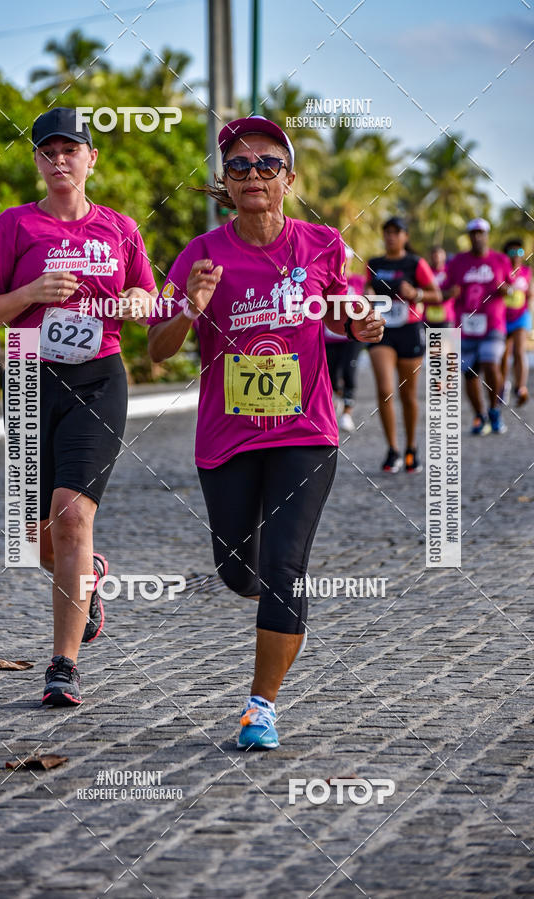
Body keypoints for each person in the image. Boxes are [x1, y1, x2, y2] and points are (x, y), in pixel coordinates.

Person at [147, 116, 383, 750]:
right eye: (239, 165)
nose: (253, 174)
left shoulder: (322, 244)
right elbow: (156, 350)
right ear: (225, 180)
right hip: (227, 438)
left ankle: (261, 707)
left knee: (285, 567)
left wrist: (361, 324)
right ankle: (264, 591)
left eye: (267, 164)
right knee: (235, 569)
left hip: (306, 432)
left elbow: (344, 312)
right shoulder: (200, 255)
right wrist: (190, 308)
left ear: (289, 178)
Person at [0, 107, 158, 706]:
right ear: (36, 161)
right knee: (34, 539)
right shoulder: (12, 227)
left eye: (70, 150)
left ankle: (63, 665)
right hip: (29, 372)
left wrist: (137, 302)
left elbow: (148, 297)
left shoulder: (120, 229)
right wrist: (30, 292)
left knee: (72, 515)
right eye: (48, 152)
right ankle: (89, 578)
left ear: (90, 159)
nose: (59, 161)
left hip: (99, 377)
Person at [365, 217, 442, 473]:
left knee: (408, 395)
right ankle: (393, 450)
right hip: (382, 331)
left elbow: (436, 295)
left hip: (409, 329)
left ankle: (411, 447)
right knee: (385, 389)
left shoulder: (415, 263)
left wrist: (416, 294)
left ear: (405, 236)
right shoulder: (374, 263)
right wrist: (368, 295)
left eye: (396, 232)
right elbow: (367, 289)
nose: (390, 236)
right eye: (387, 232)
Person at [442, 218, 512, 434]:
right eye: (473, 233)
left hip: (493, 323)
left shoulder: (500, 260)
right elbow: (444, 290)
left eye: (481, 233)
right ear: (469, 236)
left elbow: (511, 287)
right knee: (469, 372)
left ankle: (494, 410)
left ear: (487, 235)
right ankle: (479, 416)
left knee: (491, 363)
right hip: (466, 326)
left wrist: (505, 290)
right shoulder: (458, 262)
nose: (477, 237)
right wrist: (450, 293)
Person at [324, 247, 365, 431]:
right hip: (329, 337)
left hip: (351, 337)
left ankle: (347, 413)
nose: (342, 262)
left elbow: (367, 303)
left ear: (350, 260)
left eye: (346, 258)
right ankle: (339, 396)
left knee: (349, 371)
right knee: (331, 376)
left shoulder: (359, 281)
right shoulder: (326, 280)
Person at [500, 238, 532, 406]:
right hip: (503, 318)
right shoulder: (501, 271)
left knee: (519, 351)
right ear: (506, 254)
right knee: (504, 355)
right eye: (512, 252)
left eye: (519, 251)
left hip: (521, 316)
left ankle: (520, 388)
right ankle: (503, 386)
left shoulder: (527, 271)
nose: (516, 255)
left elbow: (530, 293)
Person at [426, 246, 455, 327]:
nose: (437, 259)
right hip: (428, 317)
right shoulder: (426, 271)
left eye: (439, 256)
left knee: (450, 336)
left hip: (448, 317)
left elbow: (454, 291)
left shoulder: (450, 270)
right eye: (434, 256)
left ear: (444, 256)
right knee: (428, 336)